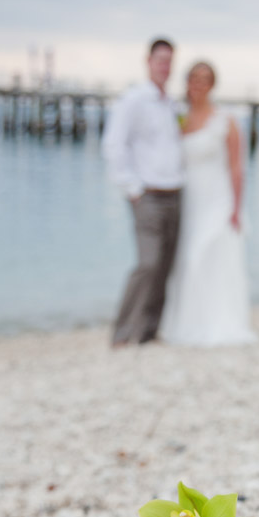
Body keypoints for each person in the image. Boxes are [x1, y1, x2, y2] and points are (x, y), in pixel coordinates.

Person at [161, 62, 256, 347]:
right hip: (188, 201)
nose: (199, 84)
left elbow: (237, 168)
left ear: (213, 84)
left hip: (218, 199)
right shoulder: (179, 118)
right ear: (187, 83)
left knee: (207, 256)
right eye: (194, 79)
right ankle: (186, 324)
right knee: (186, 261)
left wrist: (236, 209)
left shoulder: (226, 121)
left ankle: (220, 323)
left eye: (205, 79)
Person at [103, 39, 184, 346]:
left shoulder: (171, 104)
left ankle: (149, 331)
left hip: (175, 193)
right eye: (160, 60)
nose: (165, 66)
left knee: (165, 265)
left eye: (169, 61)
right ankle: (122, 332)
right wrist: (131, 188)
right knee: (147, 263)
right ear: (148, 61)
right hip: (147, 195)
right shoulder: (135, 100)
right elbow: (114, 144)